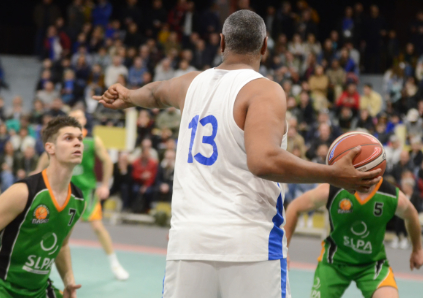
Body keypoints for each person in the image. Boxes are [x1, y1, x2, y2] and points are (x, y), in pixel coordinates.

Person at [93, 10, 381, 298]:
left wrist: (128, 96)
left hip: (188, 244)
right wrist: (332, 175)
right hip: (249, 243)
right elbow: (263, 160)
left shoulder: (190, 83)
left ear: (221, 43)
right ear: (264, 46)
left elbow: (156, 92)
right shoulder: (264, 91)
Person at [0, 116, 85, 298]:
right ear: (50, 148)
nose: (77, 143)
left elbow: (61, 245)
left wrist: (69, 281)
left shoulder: (77, 200)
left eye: (79, 138)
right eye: (69, 138)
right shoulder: (23, 192)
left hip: (38, 289)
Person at [284, 179, 423, 298]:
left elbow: (411, 215)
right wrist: (284, 249)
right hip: (334, 263)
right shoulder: (332, 190)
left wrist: (417, 249)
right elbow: (295, 207)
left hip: (372, 265)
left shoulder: (392, 196)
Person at [34, 109, 129, 280]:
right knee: (52, 229)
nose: (77, 119)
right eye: (73, 117)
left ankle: (115, 264)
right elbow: (45, 156)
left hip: (86, 192)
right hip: (64, 190)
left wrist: (105, 185)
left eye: (80, 116)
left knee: (98, 227)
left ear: (85, 120)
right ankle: (41, 264)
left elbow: (107, 161)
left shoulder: (93, 141)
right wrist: (35, 176)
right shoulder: (60, 140)